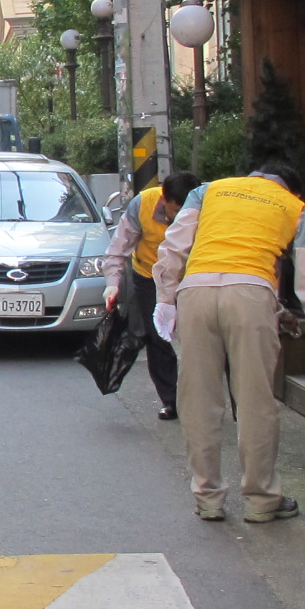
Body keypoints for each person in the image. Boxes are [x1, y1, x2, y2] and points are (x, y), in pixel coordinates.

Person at [151, 164, 305, 523]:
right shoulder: (294, 207)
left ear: (254, 176)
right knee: (255, 399)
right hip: (251, 292)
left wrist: (165, 297)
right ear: (293, 190)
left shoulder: (208, 191)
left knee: (197, 398)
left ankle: (207, 497)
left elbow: (174, 243)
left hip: (196, 289)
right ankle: (261, 500)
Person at [103, 169, 199, 421]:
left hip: (192, 278)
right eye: (176, 211)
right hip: (149, 277)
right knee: (158, 339)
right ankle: (171, 401)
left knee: (199, 339)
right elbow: (118, 248)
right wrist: (113, 283)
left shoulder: (206, 206)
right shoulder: (142, 204)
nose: (181, 218)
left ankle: (199, 400)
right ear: (164, 199)